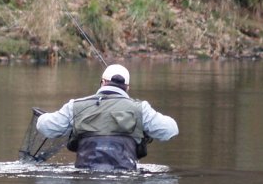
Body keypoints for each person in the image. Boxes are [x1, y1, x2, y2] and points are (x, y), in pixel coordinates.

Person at [36, 64, 179, 170]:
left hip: (85, 177)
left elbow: (44, 126)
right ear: (127, 87)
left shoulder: (75, 106)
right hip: (125, 178)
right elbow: (171, 130)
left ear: (102, 82)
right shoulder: (141, 109)